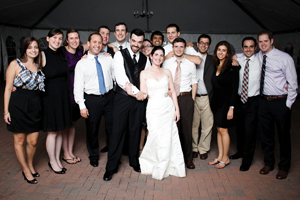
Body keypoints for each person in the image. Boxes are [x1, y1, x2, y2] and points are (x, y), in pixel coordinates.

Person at [125, 46, 186, 180]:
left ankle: (170, 164)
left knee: (169, 135)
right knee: (154, 135)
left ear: (163, 58)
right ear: (151, 56)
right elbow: (144, 94)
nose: (159, 57)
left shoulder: (167, 72)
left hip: (167, 106)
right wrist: (133, 93)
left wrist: (177, 109)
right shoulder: (144, 73)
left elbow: (173, 91)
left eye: (161, 55)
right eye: (156, 55)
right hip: (153, 108)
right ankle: (155, 162)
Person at [103, 28, 151, 181]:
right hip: (122, 98)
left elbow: (148, 78)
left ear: (142, 42)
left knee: (135, 130)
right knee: (117, 131)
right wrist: (137, 92)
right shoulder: (119, 55)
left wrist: (142, 93)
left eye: (139, 41)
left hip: (139, 101)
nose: (136, 44)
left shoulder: (145, 58)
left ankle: (134, 160)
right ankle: (111, 166)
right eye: (134, 41)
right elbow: (121, 77)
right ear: (130, 39)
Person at [4, 37, 45, 184]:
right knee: (20, 140)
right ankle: (26, 169)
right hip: (18, 104)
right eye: (30, 47)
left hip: (35, 104)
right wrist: (6, 111)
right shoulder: (15, 64)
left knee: (33, 141)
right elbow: (8, 88)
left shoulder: (39, 65)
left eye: (36, 47)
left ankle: (30, 163)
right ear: (24, 49)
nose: (33, 50)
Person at [257, 30, 297, 179]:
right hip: (263, 101)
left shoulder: (284, 58)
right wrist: (235, 56)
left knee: (283, 136)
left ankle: (284, 167)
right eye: (260, 41)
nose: (263, 44)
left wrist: (288, 104)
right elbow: (243, 56)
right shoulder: (258, 56)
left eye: (265, 41)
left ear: (272, 41)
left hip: (280, 101)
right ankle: (269, 163)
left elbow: (293, 83)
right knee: (266, 135)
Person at [74, 33, 114, 167]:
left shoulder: (108, 59)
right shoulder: (82, 63)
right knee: (92, 129)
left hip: (109, 97)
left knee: (112, 127)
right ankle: (94, 155)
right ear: (89, 43)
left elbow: (114, 77)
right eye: (94, 42)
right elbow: (78, 86)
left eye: (100, 42)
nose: (97, 45)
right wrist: (81, 105)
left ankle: (113, 152)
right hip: (92, 100)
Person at [163, 37, 198, 169]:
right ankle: (173, 158)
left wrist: (192, 99)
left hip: (185, 97)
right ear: (172, 48)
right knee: (172, 129)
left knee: (186, 130)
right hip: (171, 98)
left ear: (185, 48)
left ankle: (188, 159)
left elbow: (194, 81)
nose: (178, 49)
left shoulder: (190, 63)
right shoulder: (167, 63)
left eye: (181, 46)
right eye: (176, 46)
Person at [41, 28, 73, 174]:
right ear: (47, 39)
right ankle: (52, 161)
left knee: (60, 130)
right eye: (54, 38)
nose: (57, 41)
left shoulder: (61, 53)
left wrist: (109, 47)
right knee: (52, 132)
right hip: (50, 96)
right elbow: (31, 70)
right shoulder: (42, 54)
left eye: (60, 38)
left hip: (62, 95)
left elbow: (81, 45)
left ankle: (58, 159)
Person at [229, 37, 261, 171]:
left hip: (253, 100)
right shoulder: (239, 59)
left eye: (251, 46)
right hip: (238, 99)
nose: (248, 49)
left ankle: (247, 160)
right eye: (246, 47)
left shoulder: (260, 60)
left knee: (250, 130)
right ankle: (240, 151)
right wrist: (234, 58)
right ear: (242, 48)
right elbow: (231, 57)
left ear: (255, 48)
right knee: (239, 128)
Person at [208, 41, 239, 169]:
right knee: (219, 129)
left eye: (224, 50)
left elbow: (234, 88)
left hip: (227, 104)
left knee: (224, 130)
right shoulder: (216, 65)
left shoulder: (233, 67)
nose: (221, 52)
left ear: (228, 53)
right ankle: (220, 156)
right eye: (219, 49)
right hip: (216, 103)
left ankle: (226, 158)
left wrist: (231, 108)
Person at [60, 29, 88, 164]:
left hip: (77, 90)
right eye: (71, 38)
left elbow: (98, 43)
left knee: (73, 124)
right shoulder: (61, 52)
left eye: (76, 38)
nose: (74, 41)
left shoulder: (81, 50)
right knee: (66, 124)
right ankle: (66, 153)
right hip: (66, 90)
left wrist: (111, 48)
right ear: (66, 40)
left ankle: (69, 151)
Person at [192, 34, 214, 160]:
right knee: (194, 125)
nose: (203, 45)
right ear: (197, 44)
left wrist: (234, 58)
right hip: (194, 96)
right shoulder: (192, 57)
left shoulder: (213, 59)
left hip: (207, 97)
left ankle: (203, 148)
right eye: (201, 42)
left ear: (209, 46)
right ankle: (194, 148)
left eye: (206, 43)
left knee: (207, 125)